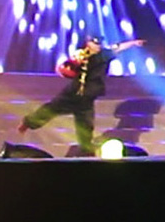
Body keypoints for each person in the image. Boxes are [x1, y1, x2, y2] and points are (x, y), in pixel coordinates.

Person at [14, 36, 144, 155]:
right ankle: (28, 123)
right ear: (88, 43)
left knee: (85, 124)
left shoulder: (104, 55)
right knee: (51, 108)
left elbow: (119, 47)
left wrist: (133, 43)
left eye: (99, 44)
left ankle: (86, 151)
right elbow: (66, 68)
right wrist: (63, 70)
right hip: (72, 93)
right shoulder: (80, 54)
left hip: (87, 95)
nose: (97, 46)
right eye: (94, 44)